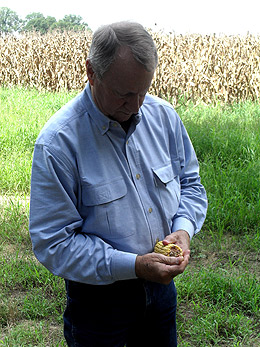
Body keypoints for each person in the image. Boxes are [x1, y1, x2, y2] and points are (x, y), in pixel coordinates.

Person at [29, 21, 207, 347]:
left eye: (143, 91)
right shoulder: (58, 144)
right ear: (91, 73)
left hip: (162, 291)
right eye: (123, 94)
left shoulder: (164, 117)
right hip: (98, 303)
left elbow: (191, 184)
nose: (136, 106)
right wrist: (135, 266)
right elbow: (53, 243)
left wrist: (183, 228)